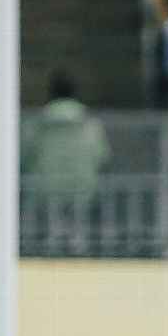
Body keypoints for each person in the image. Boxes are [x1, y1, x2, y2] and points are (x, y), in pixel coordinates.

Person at [21, 71, 111, 222]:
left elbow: (23, 157)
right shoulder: (91, 125)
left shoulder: (36, 125)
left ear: (51, 93)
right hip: (83, 192)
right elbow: (103, 158)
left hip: (44, 193)